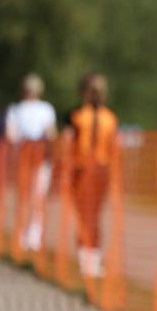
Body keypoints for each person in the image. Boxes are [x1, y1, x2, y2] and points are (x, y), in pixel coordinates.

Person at [62, 73, 118, 278]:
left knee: (91, 215)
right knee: (86, 216)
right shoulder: (77, 116)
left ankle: (91, 258)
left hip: (98, 170)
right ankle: (87, 257)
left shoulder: (108, 118)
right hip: (82, 169)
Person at [5, 73, 57, 252]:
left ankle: (22, 235)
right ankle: (34, 236)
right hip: (39, 158)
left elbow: (11, 136)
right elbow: (51, 134)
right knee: (38, 197)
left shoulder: (15, 109)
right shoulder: (46, 109)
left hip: (23, 157)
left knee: (23, 197)